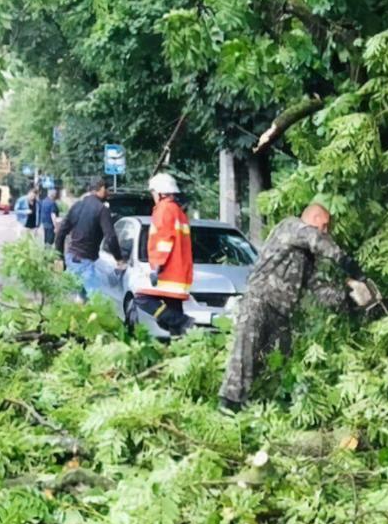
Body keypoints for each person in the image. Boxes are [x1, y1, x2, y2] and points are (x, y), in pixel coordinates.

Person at [218, 203, 367, 411]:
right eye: (323, 226)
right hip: (258, 303)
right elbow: (316, 239)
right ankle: (228, 407)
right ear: (314, 218)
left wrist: (348, 299)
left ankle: (264, 407)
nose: (325, 232)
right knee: (244, 358)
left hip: (281, 314)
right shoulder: (290, 227)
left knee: (279, 363)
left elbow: (319, 289)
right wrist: (346, 262)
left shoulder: (307, 257)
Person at [130, 172, 194, 337]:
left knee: (141, 297)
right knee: (173, 314)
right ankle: (179, 347)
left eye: (152, 192)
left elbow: (163, 241)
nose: (152, 196)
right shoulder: (178, 211)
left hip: (168, 272)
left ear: (160, 192)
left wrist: (156, 267)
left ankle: (180, 320)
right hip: (180, 272)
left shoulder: (164, 209)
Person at [54, 178, 125, 300]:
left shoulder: (77, 206)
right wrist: (119, 259)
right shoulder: (102, 209)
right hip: (86, 262)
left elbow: (60, 233)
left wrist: (59, 257)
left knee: (81, 297)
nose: (108, 192)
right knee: (96, 302)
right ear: (101, 189)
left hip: (71, 259)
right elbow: (111, 237)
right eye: (107, 189)